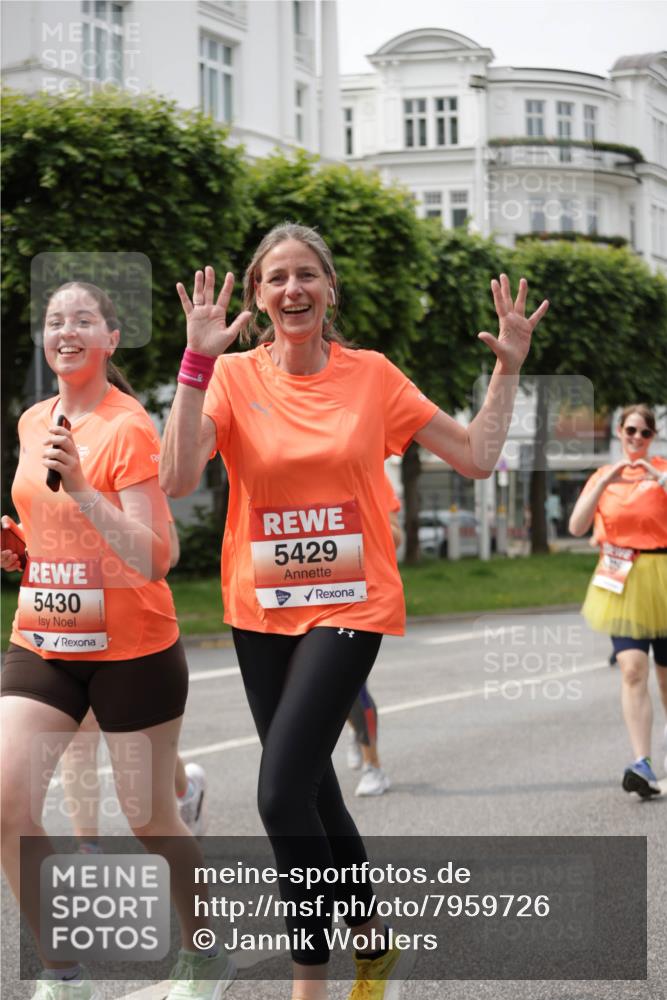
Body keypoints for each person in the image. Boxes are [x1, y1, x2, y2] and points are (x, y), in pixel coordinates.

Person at [160, 223, 548, 1000]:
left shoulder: (371, 375)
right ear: (261, 295)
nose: (292, 289)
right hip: (259, 605)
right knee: (311, 789)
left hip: (351, 600)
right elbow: (174, 477)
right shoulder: (232, 378)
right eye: (276, 279)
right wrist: (196, 363)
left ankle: (312, 978)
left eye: (307, 275)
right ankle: (372, 941)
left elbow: (474, 456)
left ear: (329, 288)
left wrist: (506, 369)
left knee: (276, 795)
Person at [0, 282, 232, 1000]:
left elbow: (155, 557)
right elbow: (47, 526)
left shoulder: (129, 426)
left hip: (132, 650)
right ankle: (63, 973)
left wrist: (83, 490)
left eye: (82, 320)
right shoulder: (33, 420)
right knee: (6, 802)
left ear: (110, 338)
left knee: (149, 821)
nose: (65, 330)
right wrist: (19, 545)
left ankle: (205, 950)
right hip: (44, 636)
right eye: (54, 320)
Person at [58, 522, 209, 849]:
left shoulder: (129, 470)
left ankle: (187, 791)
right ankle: (88, 849)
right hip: (73, 614)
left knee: (142, 742)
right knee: (80, 736)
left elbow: (169, 549)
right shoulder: (48, 474)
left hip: (130, 624)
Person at [569, 404, 667, 797]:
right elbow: (577, 526)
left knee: (665, 677)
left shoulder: (661, 469)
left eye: (644, 433)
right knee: (632, 670)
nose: (636, 439)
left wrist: (657, 477)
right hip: (619, 581)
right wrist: (605, 480)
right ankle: (641, 762)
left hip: (661, 576)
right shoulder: (602, 477)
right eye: (630, 431)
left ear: (653, 436)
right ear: (619, 432)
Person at [346, 475, 402, 796]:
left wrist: (359, 518)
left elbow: (396, 537)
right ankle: (355, 728)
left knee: (353, 686)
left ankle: (374, 768)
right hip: (305, 596)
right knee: (330, 689)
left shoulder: (372, 477)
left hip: (358, 596)